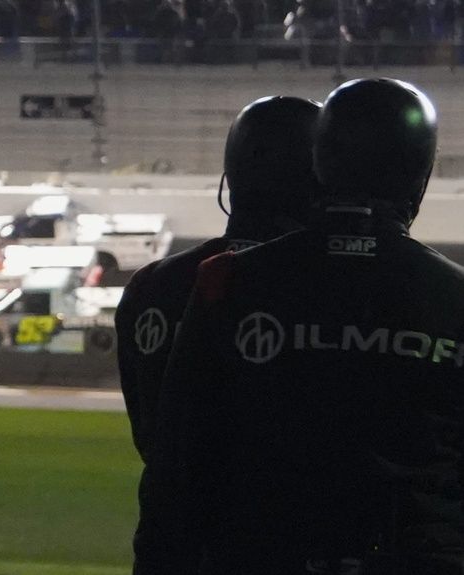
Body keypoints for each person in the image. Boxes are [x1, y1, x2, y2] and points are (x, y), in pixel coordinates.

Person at [157, 78, 460, 574]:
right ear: (419, 174)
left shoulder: (227, 281)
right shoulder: (454, 296)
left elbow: (179, 462)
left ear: (319, 162)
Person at [115, 95, 321, 575]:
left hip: (171, 545)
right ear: (319, 181)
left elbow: (150, 432)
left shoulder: (151, 286)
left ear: (231, 176)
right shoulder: (333, 286)